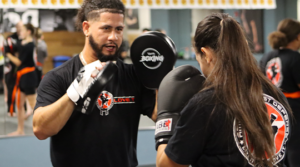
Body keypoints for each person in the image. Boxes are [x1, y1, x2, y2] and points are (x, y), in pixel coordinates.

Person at [155, 13, 291, 167]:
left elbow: (167, 165)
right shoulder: (277, 94)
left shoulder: (206, 104)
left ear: (206, 54)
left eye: (198, 59)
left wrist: (166, 118)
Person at [32, 0, 157, 166]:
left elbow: (160, 116)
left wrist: (159, 79)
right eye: (106, 28)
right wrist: (75, 92)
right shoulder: (58, 77)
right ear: (86, 28)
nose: (114, 37)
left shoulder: (133, 75)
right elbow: (41, 129)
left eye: (119, 29)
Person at [259, 18, 300, 167]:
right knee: (295, 149)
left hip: (271, 111)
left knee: (277, 148)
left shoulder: (266, 57)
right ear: (298, 36)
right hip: (294, 111)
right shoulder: (295, 58)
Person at [6, 23, 38, 136]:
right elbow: (16, 46)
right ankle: (20, 130)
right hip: (22, 77)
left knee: (34, 106)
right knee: (19, 105)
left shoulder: (30, 45)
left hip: (29, 77)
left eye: (23, 30)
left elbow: (18, 62)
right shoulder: (22, 43)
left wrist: (7, 54)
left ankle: (41, 129)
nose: (20, 32)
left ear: (28, 32)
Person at [3, 21, 23, 117]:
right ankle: (11, 109)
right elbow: (7, 52)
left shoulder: (24, 38)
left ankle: (24, 109)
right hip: (11, 67)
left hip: (23, 67)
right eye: (19, 27)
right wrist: (15, 58)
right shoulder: (10, 38)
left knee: (23, 89)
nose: (21, 28)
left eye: (22, 27)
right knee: (11, 87)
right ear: (16, 27)